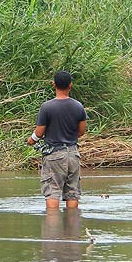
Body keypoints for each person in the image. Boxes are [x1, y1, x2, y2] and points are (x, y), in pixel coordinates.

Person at [27, 71, 88, 210]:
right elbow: (81, 131)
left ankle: (52, 230)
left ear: (53, 85)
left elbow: (39, 132)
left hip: (54, 155)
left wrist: (31, 140)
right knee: (72, 193)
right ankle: (72, 228)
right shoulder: (79, 106)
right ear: (70, 85)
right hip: (73, 154)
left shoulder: (47, 107)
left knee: (52, 192)